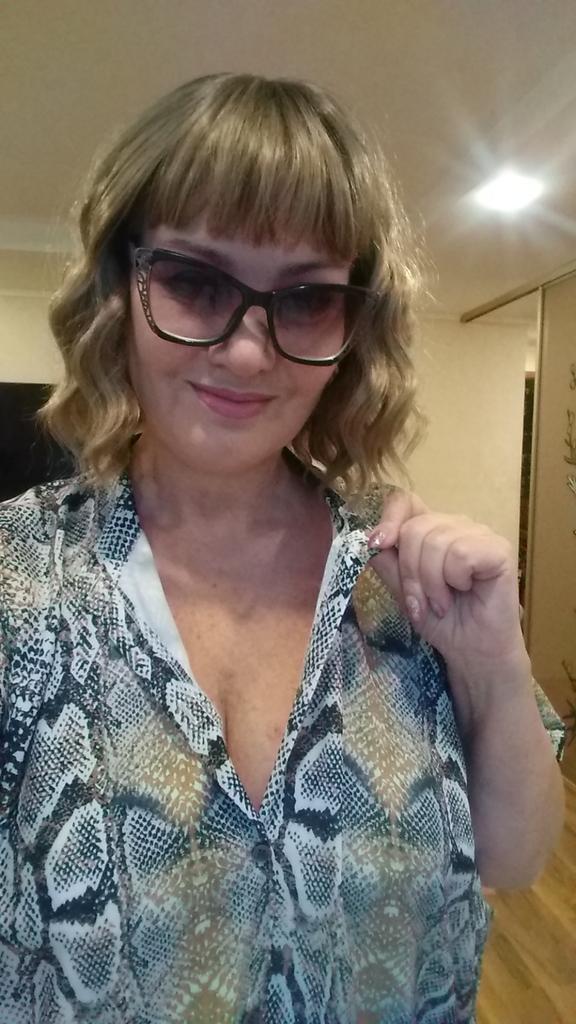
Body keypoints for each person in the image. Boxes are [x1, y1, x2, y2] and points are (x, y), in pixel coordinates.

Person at [0, 72, 565, 1024]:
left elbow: (516, 859)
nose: (249, 352)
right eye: (195, 281)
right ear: (119, 288)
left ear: (353, 325)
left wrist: (493, 665)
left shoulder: (405, 578)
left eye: (304, 298)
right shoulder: (17, 585)